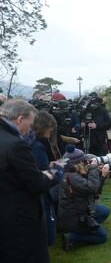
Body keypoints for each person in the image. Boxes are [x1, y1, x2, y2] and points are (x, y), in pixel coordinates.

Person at [0, 99, 55, 263]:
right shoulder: (16, 145)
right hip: (20, 219)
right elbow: (37, 184)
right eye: (30, 125)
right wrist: (50, 175)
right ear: (20, 119)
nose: (29, 131)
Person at [58, 153, 111, 251]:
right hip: (75, 216)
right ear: (79, 163)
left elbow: (94, 194)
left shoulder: (69, 174)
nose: (86, 163)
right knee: (102, 237)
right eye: (85, 161)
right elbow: (92, 188)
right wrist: (93, 168)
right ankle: (71, 237)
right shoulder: (73, 177)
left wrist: (101, 177)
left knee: (104, 211)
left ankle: (86, 229)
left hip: (73, 212)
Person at [27, 111, 65, 246]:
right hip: (42, 195)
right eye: (51, 128)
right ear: (44, 127)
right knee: (49, 235)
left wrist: (48, 166)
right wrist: (58, 169)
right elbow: (44, 177)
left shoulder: (29, 142)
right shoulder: (37, 146)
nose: (52, 131)